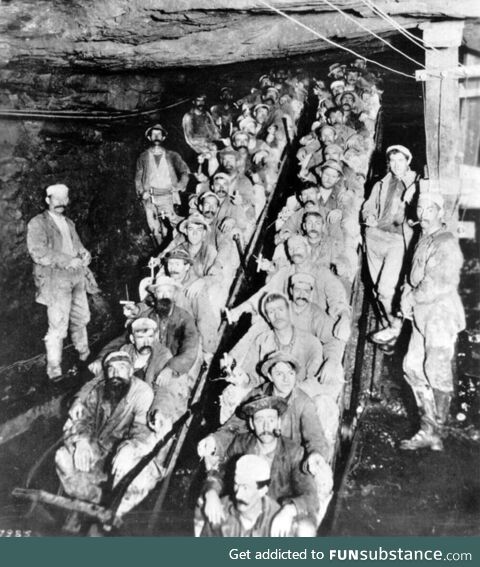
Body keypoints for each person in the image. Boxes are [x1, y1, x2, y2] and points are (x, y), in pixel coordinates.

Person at [55, 351, 161, 523]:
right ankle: (91, 499)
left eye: (121, 368)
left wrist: (130, 447)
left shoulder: (142, 393)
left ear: (131, 371)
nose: (115, 374)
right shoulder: (99, 390)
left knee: (131, 470)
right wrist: (82, 442)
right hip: (99, 448)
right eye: (110, 369)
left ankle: (114, 516)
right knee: (63, 456)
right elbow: (84, 418)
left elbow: (143, 430)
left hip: (124, 450)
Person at [399, 190, 465, 451]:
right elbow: (412, 273)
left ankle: (438, 431)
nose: (422, 214)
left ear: (440, 212)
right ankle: (428, 427)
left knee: (435, 369)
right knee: (413, 366)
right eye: (420, 209)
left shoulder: (446, 241)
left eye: (428, 209)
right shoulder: (423, 238)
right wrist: (405, 294)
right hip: (422, 314)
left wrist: (412, 296)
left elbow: (436, 282)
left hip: (440, 313)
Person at [199, 395, 319, 536]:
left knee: (305, 529)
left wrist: (289, 510)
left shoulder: (293, 452)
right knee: (206, 510)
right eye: (260, 420)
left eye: (271, 420)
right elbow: (219, 473)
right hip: (243, 510)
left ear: (279, 423)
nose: (266, 426)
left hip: (276, 516)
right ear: (251, 424)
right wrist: (211, 493)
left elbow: (310, 495)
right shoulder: (241, 444)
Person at [26, 183, 99, 380]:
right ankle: (54, 368)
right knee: (57, 326)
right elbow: (38, 252)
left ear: (67, 200)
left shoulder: (69, 223)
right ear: (47, 200)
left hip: (76, 277)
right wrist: (68, 261)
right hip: (55, 280)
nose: (60, 203)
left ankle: (84, 355)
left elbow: (78, 246)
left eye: (63, 199)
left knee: (81, 318)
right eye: (55, 199)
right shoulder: (38, 223)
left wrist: (85, 254)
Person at [361, 145, 418, 345]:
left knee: (386, 289)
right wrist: (368, 216)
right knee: (378, 291)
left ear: (408, 161)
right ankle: (391, 326)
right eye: (392, 161)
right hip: (375, 236)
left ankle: (395, 327)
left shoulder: (416, 183)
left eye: (400, 160)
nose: (396, 165)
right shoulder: (381, 183)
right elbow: (368, 205)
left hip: (397, 241)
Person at [135, 123, 190, 245]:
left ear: (163, 137)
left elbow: (185, 171)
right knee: (155, 229)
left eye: (159, 134)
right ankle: (158, 255)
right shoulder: (143, 157)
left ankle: (173, 253)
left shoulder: (172, 155)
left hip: (168, 196)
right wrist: (141, 192)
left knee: (170, 228)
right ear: (149, 137)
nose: (156, 136)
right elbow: (138, 178)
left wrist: (179, 186)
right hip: (150, 197)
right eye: (153, 134)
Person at [199, 455, 281, 537]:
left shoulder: (279, 520)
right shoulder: (219, 510)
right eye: (236, 484)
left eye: (245, 487)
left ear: (262, 490)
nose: (238, 495)